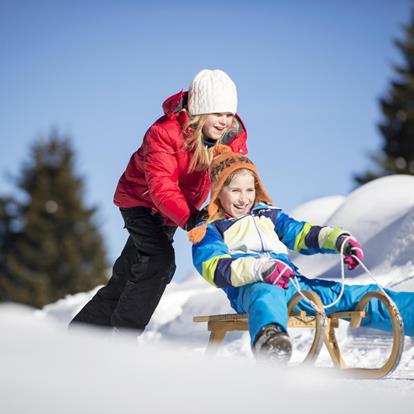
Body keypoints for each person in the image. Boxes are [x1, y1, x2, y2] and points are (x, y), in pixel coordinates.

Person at [189, 147, 414, 362]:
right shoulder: (210, 227)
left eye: (250, 190)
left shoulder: (267, 215)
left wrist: (338, 240)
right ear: (218, 191)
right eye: (235, 190)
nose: (244, 198)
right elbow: (214, 267)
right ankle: (271, 342)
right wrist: (260, 270)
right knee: (266, 295)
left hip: (294, 284)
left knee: (355, 295)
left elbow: (300, 234)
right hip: (250, 288)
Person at [70, 69, 248, 332]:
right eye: (217, 113)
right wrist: (190, 218)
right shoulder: (164, 132)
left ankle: (82, 333)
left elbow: (235, 178)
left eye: (228, 114)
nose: (224, 121)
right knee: (159, 261)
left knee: (130, 274)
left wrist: (239, 207)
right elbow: (161, 186)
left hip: (176, 209)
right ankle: (123, 338)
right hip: (140, 201)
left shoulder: (232, 138)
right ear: (200, 111)